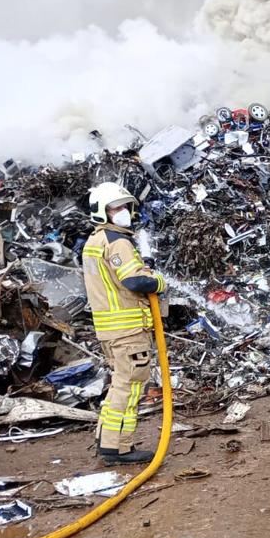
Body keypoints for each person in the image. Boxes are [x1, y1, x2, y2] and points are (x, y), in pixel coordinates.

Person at [82, 183, 166, 465]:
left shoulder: (94, 242)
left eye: (124, 206)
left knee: (119, 385)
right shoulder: (117, 240)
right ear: (101, 212)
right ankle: (119, 448)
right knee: (129, 388)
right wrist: (158, 281)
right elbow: (135, 281)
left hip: (111, 330)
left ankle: (106, 440)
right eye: (115, 208)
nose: (123, 212)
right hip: (128, 331)